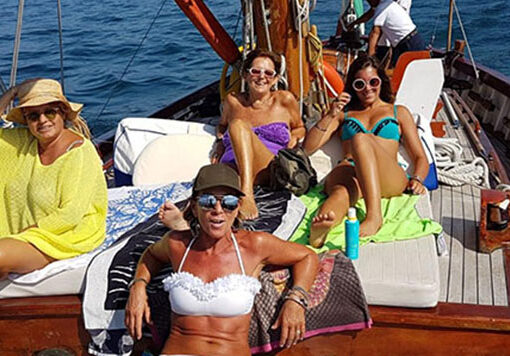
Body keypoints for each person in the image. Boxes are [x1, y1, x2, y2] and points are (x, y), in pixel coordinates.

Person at [126, 164, 319, 356]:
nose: (218, 209)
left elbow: (307, 256)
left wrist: (295, 300)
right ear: (194, 207)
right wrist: (138, 286)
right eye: (208, 201)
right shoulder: (178, 245)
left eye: (228, 202)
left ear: (238, 208)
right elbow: (151, 255)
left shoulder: (254, 246)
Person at [303, 55, 429, 248]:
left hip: (386, 175)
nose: (367, 88)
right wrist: (330, 114)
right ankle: (321, 226)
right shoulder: (344, 115)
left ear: (381, 82)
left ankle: (374, 216)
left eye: (373, 82)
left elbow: (420, 156)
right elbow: (308, 147)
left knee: (361, 138)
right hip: (349, 169)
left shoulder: (398, 112)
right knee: (340, 194)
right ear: (353, 87)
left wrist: (418, 179)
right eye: (360, 84)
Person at [0, 78, 107, 280]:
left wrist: (20, 237)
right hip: (24, 237)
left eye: (49, 112)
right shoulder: (23, 142)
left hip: (62, 236)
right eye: (33, 115)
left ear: (63, 113)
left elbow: (70, 214)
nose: (42, 120)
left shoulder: (79, 152)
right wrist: (12, 93)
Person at [213, 49, 305, 219]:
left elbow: (299, 127)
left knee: (238, 125)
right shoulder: (233, 102)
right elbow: (221, 126)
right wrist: (219, 142)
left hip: (268, 167)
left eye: (269, 73)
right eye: (255, 71)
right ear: (246, 75)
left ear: (276, 79)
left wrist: (294, 138)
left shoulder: (284, 100)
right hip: (232, 167)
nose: (262, 77)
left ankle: (246, 194)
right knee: (208, 191)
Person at [365, 0, 425, 67]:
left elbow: (375, 33)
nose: (367, 0)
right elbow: (370, 15)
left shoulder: (381, 9)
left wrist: (370, 57)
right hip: (408, 41)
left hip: (409, 44)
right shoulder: (387, 2)